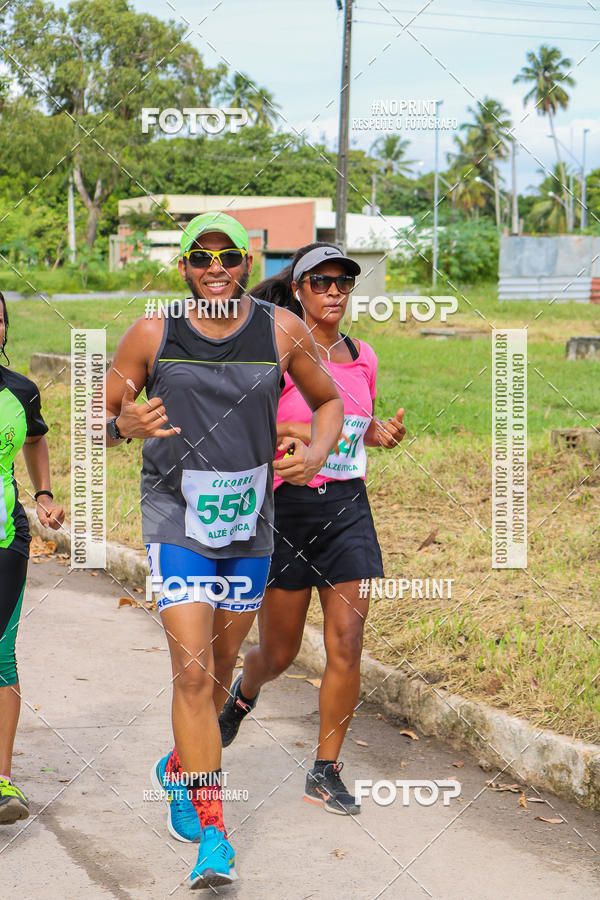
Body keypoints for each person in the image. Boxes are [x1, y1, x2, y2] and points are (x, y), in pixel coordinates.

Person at [104, 214, 343, 888]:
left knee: (216, 669)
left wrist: (317, 451)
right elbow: (99, 421)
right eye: (201, 256)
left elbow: (330, 402)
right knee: (188, 671)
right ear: (183, 265)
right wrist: (122, 423)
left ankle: (180, 766)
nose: (215, 267)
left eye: (228, 256)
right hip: (176, 518)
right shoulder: (153, 333)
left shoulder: (281, 329)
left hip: (248, 524)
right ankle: (215, 833)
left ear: (244, 262)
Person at [218, 242, 406, 815]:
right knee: (279, 651)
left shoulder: (362, 354)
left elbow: (358, 422)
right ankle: (245, 691)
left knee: (347, 641)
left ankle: (325, 771)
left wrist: (378, 436)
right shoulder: (273, 350)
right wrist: (293, 431)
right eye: (320, 283)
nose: (333, 293)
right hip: (286, 509)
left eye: (343, 284)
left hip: (348, 507)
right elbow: (242, 424)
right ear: (297, 290)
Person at [0, 291, 65, 825]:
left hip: (5, 540)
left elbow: (36, 440)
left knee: (1, 653)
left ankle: (1, 782)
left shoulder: (19, 391)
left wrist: (43, 494)